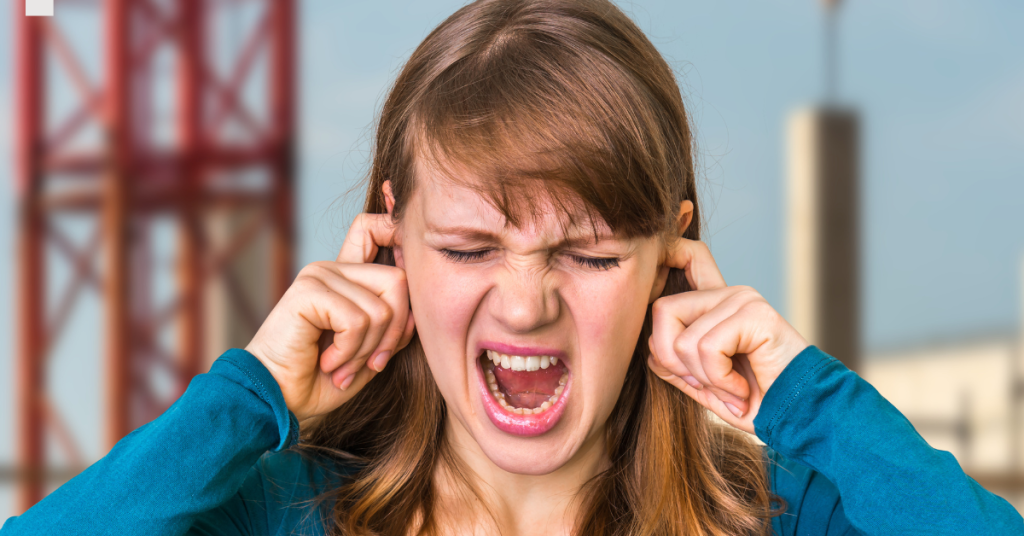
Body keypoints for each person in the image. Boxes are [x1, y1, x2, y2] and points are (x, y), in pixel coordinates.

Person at [3, 0, 1022, 534]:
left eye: (585, 252)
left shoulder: (781, 516)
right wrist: (248, 395)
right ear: (388, 243)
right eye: (468, 247)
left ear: (671, 259)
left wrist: (809, 400)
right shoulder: (280, 510)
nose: (527, 303)